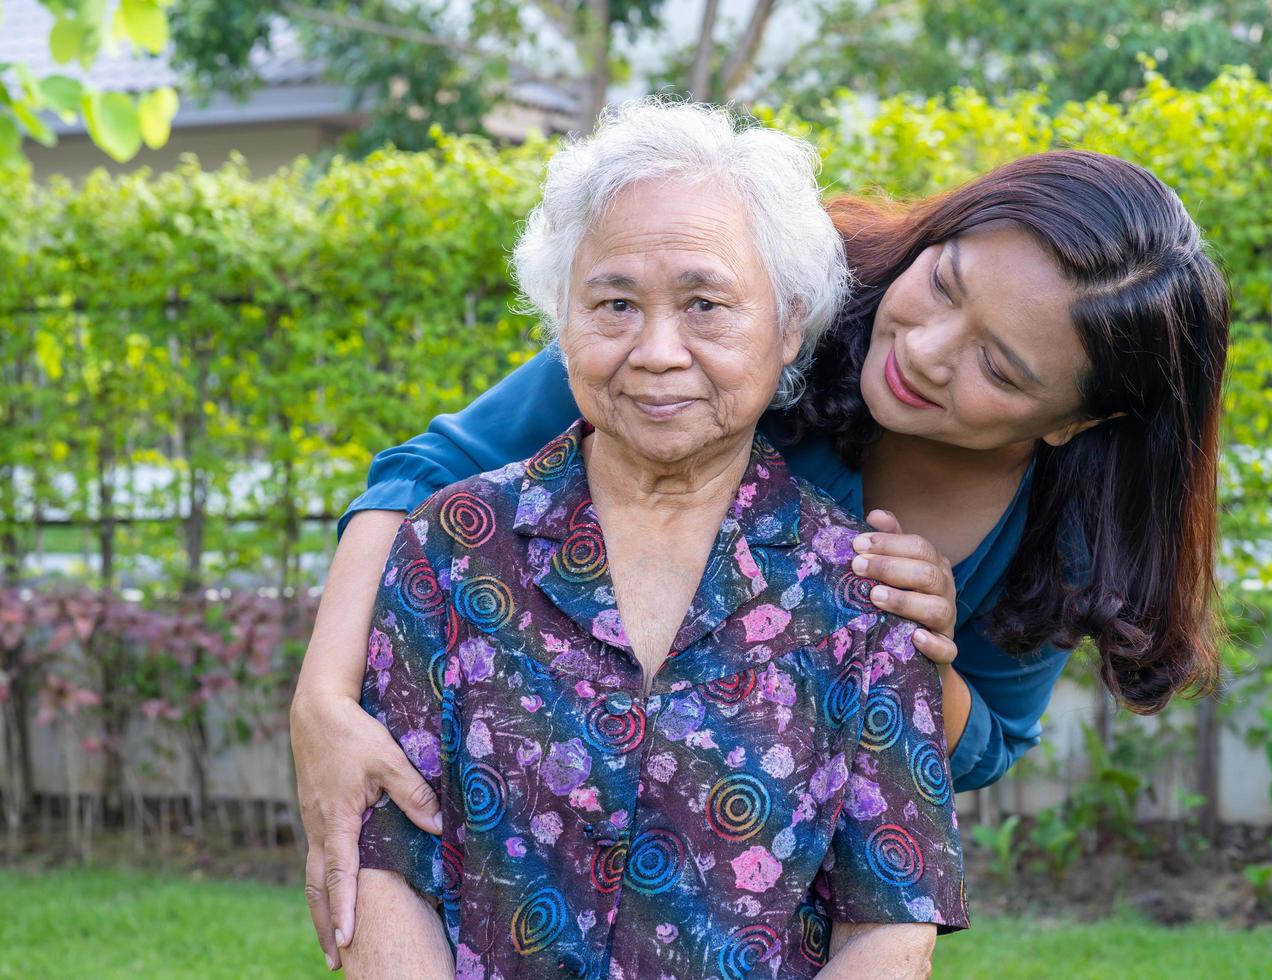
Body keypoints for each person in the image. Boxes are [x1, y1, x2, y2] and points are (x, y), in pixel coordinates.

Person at [293, 114, 1231, 969]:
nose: (926, 349)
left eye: (997, 366)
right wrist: (323, 697)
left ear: (1075, 419)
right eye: (942, 285)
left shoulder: (1057, 531)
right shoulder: (724, 305)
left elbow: (979, 750)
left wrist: (919, 646)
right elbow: (427, 477)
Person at [336, 99, 969, 979]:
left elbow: (890, 922)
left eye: (706, 302)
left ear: (788, 325)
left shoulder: (859, 592)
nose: (657, 350)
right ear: (563, 320)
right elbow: (383, 865)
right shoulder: (451, 547)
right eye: (615, 303)